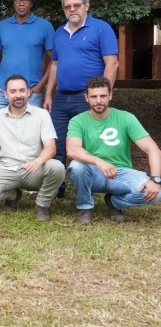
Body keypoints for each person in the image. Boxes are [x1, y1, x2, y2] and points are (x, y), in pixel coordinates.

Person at [44, 0, 118, 198]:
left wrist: (104, 94)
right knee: (55, 142)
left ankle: (90, 188)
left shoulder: (101, 29)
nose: (72, 9)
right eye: (68, 6)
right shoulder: (60, 32)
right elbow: (55, 65)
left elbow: (112, 63)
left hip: (87, 98)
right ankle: (56, 188)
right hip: (61, 97)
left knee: (89, 144)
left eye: (76, 5)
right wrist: (49, 94)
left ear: (87, 5)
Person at [67, 76, 161, 225]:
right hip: (94, 173)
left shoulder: (126, 118)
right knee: (77, 166)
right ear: (86, 98)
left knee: (156, 193)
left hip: (120, 174)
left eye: (103, 96)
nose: (98, 100)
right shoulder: (78, 121)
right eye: (94, 96)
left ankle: (114, 203)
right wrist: (99, 161)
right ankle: (84, 207)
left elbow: (153, 149)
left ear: (110, 95)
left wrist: (155, 179)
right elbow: (72, 150)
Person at [0, 75, 65, 222]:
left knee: (57, 167)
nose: (18, 95)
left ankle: (42, 204)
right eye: (13, 91)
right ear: (6, 94)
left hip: (34, 169)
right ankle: (13, 196)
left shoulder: (41, 115)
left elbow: (51, 148)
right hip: (7, 169)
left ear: (28, 92)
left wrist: (37, 162)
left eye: (22, 90)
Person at [0, 0, 55, 112]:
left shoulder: (45, 26)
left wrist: (42, 84)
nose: (21, 3)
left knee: (29, 130)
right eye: (17, 0)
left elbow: (53, 60)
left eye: (25, 0)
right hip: (2, 90)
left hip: (31, 90)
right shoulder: (2, 26)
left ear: (32, 3)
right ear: (13, 3)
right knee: (1, 129)